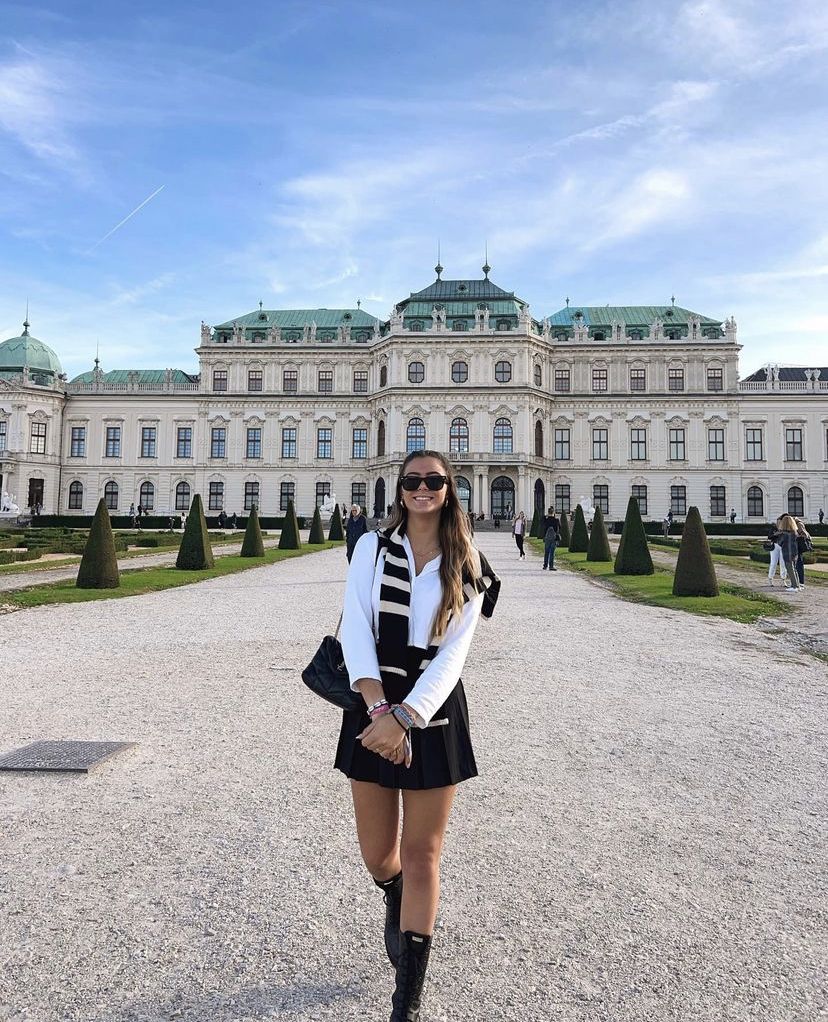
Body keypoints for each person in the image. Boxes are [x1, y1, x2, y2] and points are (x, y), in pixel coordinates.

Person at [336, 449, 499, 1020]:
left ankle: (407, 998)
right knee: (380, 856)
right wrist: (380, 709)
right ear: (400, 488)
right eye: (412, 481)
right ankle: (396, 895)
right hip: (373, 700)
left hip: (432, 712)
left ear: (449, 488)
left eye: (433, 480)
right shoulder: (371, 548)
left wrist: (407, 717)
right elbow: (355, 628)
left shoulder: (468, 559)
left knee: (423, 852)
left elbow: (454, 654)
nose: (422, 489)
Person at [777, 515, 801, 591]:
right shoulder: (795, 533)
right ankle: (797, 585)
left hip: (787, 553)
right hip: (794, 553)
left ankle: (794, 586)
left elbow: (779, 543)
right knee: (794, 569)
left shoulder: (783, 534)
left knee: (790, 570)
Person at [766, 519, 788, 587]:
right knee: (773, 563)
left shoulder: (785, 528)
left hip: (783, 546)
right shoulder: (774, 528)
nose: (779, 523)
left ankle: (783, 580)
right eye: (778, 522)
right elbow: (769, 536)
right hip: (775, 546)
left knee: (783, 563)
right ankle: (770, 578)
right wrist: (776, 534)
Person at [794, 518, 813, 589]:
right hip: (798, 546)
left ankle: (800, 582)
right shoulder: (799, 523)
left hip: (798, 546)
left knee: (799, 564)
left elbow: (804, 534)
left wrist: (796, 536)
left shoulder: (799, 524)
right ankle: (799, 581)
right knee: (798, 564)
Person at [542, 506, 560, 571]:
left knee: (546, 552)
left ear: (548, 512)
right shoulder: (556, 520)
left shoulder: (546, 520)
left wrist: (545, 516)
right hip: (554, 538)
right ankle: (551, 566)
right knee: (552, 552)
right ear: (553, 512)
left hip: (547, 538)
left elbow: (541, 523)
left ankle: (545, 566)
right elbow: (560, 528)